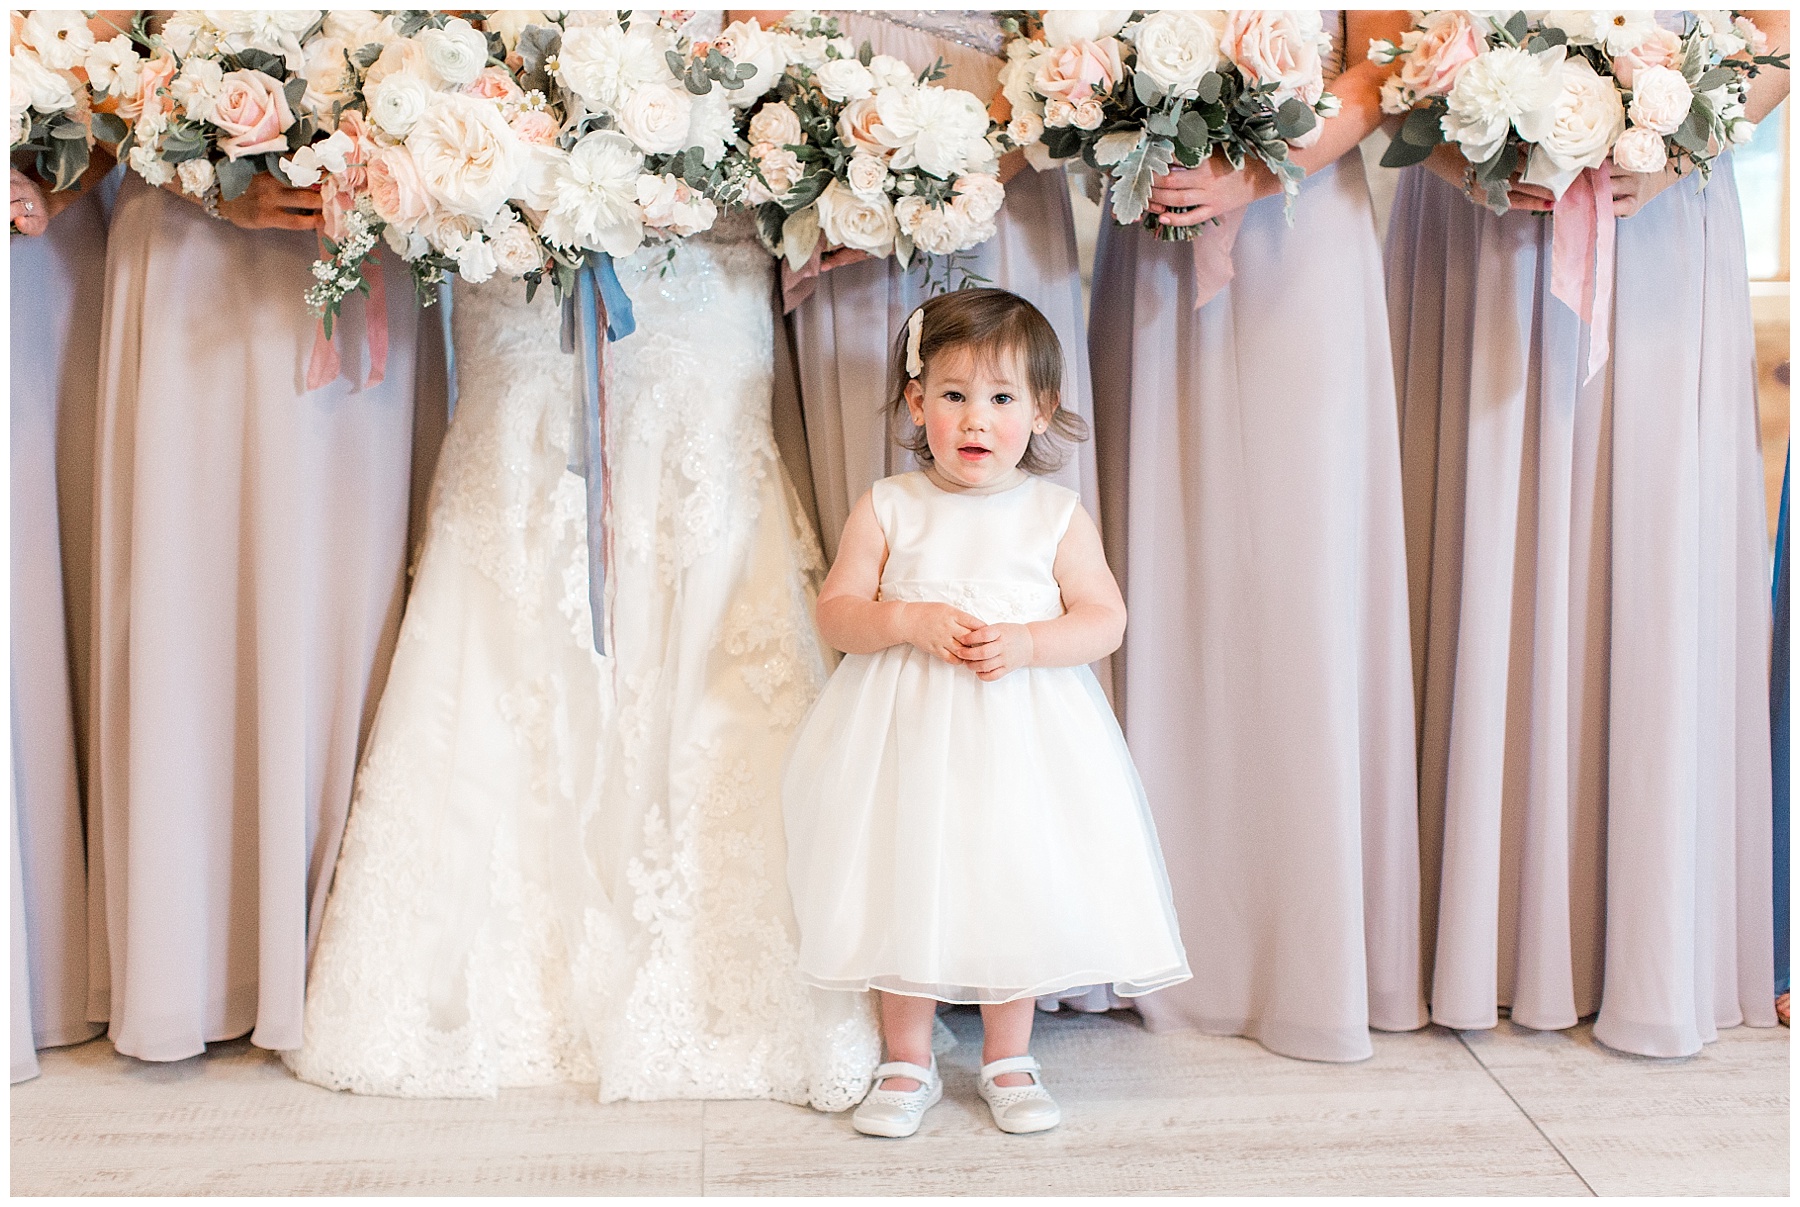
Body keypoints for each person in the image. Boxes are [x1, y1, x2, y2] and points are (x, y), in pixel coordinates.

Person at [286, 13, 877, 1109]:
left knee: (712, 534)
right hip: (514, 259)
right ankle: (494, 967)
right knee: (511, 520)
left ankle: (728, 971)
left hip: (707, 255)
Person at [1384, 11, 1789, 1055]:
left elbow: (1781, 33)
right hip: (1475, 230)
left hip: (1659, 223)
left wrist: (1682, 141)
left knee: (1646, 555)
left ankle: (1638, 940)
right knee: (1473, 536)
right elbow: (1388, 46)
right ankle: (1456, 922)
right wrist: (1460, 149)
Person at [1087, 11, 1425, 1062]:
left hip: (1304, 231)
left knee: (1303, 571)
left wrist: (1265, 167)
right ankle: (1137, 931)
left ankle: (1305, 951)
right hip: (1150, 237)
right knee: (1161, 568)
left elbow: (1384, 66)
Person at [783, 289, 1189, 1138]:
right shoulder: (890, 503)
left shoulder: (1052, 514)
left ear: (1040, 411)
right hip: (904, 737)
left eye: (1003, 398)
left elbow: (1104, 619)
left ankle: (1009, 1056)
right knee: (904, 877)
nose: (977, 419)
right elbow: (837, 611)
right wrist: (904, 618)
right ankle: (907, 1057)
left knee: (1014, 878)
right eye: (955, 395)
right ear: (916, 401)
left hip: (1020, 740)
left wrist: (1030, 642)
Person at [88, 151, 421, 1060]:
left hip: (375, 252)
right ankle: (197, 956)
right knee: (193, 587)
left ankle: (340, 943)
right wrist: (206, 172)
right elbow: (99, 78)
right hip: (195, 257)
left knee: (350, 593)